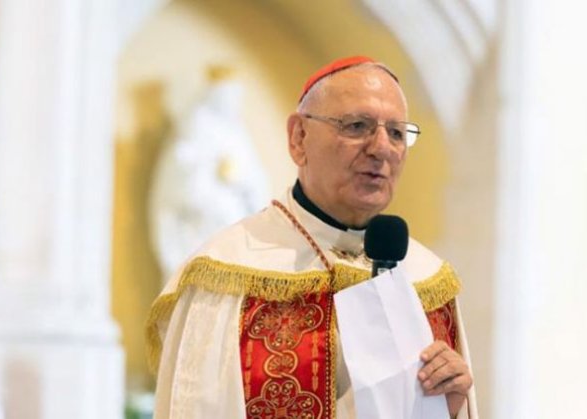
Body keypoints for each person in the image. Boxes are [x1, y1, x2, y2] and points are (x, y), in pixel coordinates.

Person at [146, 56, 478, 418]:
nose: (382, 148)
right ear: (299, 137)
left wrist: (448, 410)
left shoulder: (427, 281)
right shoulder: (225, 275)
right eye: (357, 126)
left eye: (397, 133)